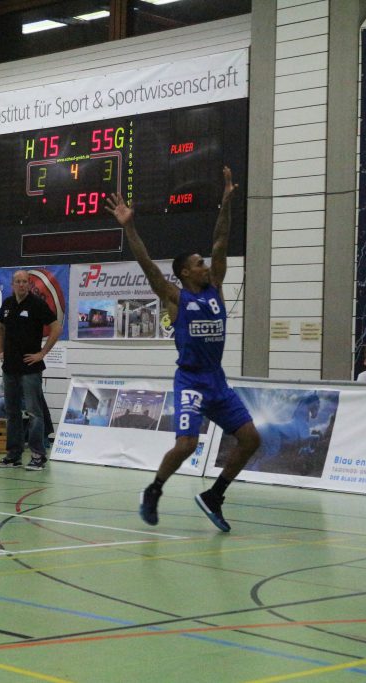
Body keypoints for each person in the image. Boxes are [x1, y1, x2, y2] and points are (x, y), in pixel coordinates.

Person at [106, 166, 261, 532]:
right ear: (185, 273)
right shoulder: (175, 297)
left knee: (251, 439)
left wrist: (226, 203)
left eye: (204, 262)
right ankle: (154, 490)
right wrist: (129, 226)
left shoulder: (215, 289)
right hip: (190, 380)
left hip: (217, 381)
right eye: (198, 264)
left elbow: (221, 241)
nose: (205, 265)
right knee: (187, 444)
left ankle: (215, 495)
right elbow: (147, 265)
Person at [0, 270, 62, 471]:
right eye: (18, 282)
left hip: (30, 367)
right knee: (12, 412)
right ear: (12, 284)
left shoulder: (37, 304)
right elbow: (0, 329)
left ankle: (38, 455)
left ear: (29, 285)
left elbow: (56, 327)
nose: (21, 285)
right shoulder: (7, 304)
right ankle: (13, 455)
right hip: (10, 367)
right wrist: (0, 351)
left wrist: (42, 353)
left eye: (25, 282)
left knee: (34, 412)